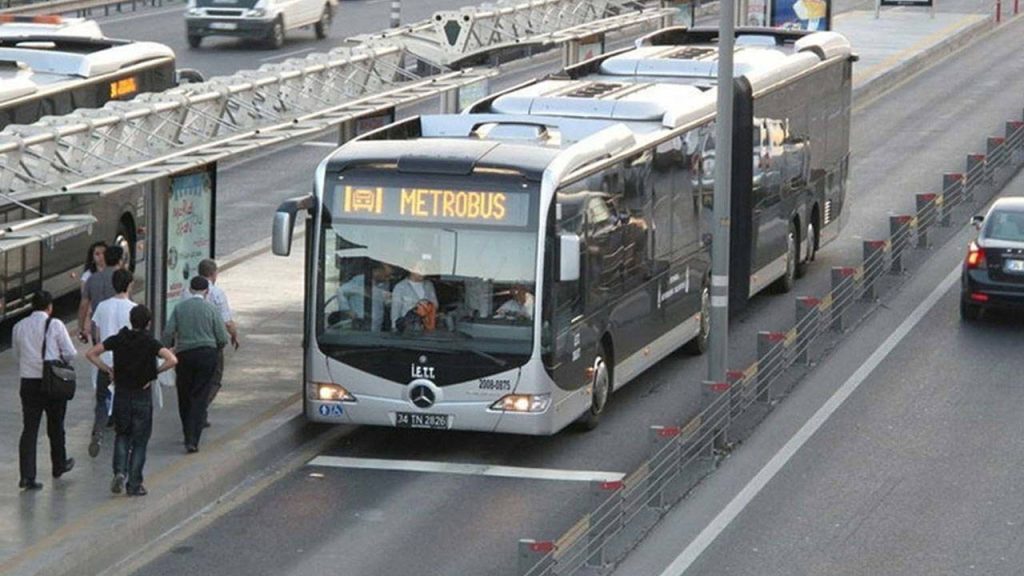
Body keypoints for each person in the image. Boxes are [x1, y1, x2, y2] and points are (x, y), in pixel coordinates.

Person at [87, 305, 176, 497]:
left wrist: (107, 369)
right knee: (140, 441)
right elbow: (172, 360)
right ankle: (134, 484)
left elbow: (91, 353)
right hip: (142, 397)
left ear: (131, 319)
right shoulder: (150, 342)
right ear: (148, 323)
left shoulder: (119, 339)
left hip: (122, 395)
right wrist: (153, 374)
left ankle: (119, 471)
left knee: (123, 435)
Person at [13, 291, 77, 491]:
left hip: (28, 383)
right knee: (56, 424)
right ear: (49, 307)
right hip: (52, 382)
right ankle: (59, 464)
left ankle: (27, 476)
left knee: (30, 429)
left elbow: (17, 354)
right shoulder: (55, 325)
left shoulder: (19, 326)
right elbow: (70, 353)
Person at [162, 276, 229, 453]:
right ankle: (194, 439)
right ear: (207, 291)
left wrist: (167, 349)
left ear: (190, 290)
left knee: (184, 394)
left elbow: (168, 332)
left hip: (185, 355)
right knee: (200, 396)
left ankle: (187, 433)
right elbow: (222, 337)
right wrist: (216, 349)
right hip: (207, 354)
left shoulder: (179, 308)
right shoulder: (211, 309)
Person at [78, 245, 125, 455]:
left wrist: (81, 328)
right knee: (121, 383)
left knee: (102, 383)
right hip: (121, 342)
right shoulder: (122, 279)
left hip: (100, 336)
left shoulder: (92, 280)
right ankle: (115, 418)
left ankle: (99, 425)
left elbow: (84, 305)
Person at [87, 268, 138, 458]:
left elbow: (97, 334)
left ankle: (97, 432)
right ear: (129, 284)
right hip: (125, 365)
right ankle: (124, 441)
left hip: (105, 362)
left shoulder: (102, 306)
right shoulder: (133, 308)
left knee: (102, 400)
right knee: (124, 403)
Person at [197, 259, 239, 427]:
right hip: (212, 344)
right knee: (214, 379)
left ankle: (198, 409)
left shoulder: (187, 292)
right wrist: (234, 336)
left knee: (196, 380)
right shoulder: (217, 293)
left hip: (190, 344)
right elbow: (227, 321)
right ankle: (200, 408)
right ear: (213, 274)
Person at [337, 262, 392, 332]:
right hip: (359, 327)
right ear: (376, 271)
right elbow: (340, 291)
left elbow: (385, 301)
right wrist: (347, 310)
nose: (388, 279)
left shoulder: (383, 285)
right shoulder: (359, 281)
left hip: (376, 329)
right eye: (386, 276)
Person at [392, 262, 438, 332]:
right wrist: (394, 329)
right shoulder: (400, 287)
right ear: (411, 269)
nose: (423, 272)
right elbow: (395, 311)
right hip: (408, 331)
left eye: (425, 269)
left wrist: (426, 306)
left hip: (427, 329)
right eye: (420, 268)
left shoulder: (429, 285)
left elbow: (435, 305)